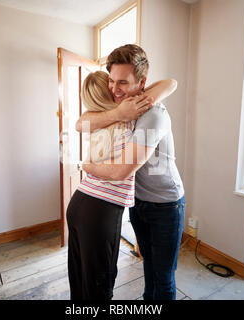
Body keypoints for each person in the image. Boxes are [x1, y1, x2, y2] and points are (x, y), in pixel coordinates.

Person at [80, 44, 185, 300]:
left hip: (165, 206)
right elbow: (81, 124)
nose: (115, 89)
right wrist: (116, 112)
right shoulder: (122, 109)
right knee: (147, 263)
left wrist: (86, 166)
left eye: (123, 82)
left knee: (163, 279)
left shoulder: (154, 115)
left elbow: (120, 172)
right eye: (112, 81)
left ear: (142, 82)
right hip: (138, 203)